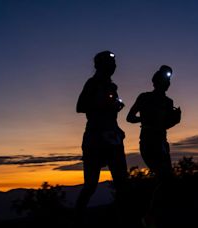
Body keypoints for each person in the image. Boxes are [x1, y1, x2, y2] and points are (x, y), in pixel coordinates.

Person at [75, 51, 129, 221]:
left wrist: (116, 107)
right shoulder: (92, 83)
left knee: (122, 183)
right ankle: (75, 220)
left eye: (114, 64)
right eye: (110, 63)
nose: (113, 66)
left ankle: (125, 219)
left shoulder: (113, 87)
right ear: (100, 65)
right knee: (91, 185)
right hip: (95, 138)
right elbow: (80, 106)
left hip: (113, 136)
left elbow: (111, 110)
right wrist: (102, 104)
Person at [127, 65, 181, 180]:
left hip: (162, 142)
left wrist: (175, 120)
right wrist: (144, 119)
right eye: (164, 81)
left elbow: (165, 125)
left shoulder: (168, 102)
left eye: (168, 81)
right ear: (156, 82)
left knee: (167, 178)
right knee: (164, 176)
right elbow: (130, 117)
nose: (166, 83)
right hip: (148, 141)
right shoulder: (144, 97)